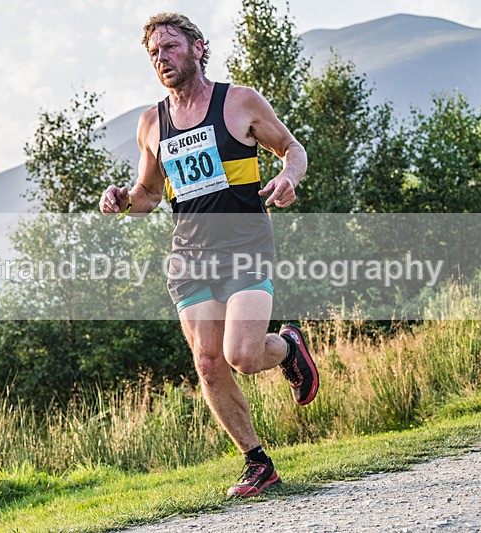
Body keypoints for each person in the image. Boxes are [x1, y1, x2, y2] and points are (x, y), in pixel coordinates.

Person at [99, 12, 318, 498]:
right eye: (154, 52)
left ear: (198, 48)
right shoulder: (151, 123)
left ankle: (287, 348)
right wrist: (121, 202)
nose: (162, 58)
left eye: (171, 47)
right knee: (207, 363)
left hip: (244, 245)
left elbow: (292, 149)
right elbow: (149, 195)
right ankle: (257, 463)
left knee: (241, 354)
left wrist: (289, 177)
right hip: (189, 256)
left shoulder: (239, 102)